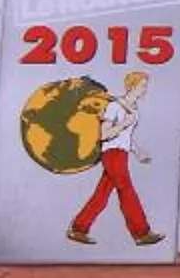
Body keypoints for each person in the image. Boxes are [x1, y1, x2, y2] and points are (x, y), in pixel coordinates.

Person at [67, 71, 162, 246]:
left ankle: (78, 228)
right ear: (133, 86)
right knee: (126, 189)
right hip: (112, 153)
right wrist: (124, 123)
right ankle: (141, 232)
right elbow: (104, 134)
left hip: (122, 152)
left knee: (102, 194)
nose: (145, 89)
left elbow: (125, 136)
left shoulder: (133, 108)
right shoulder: (115, 107)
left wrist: (137, 151)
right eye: (142, 85)